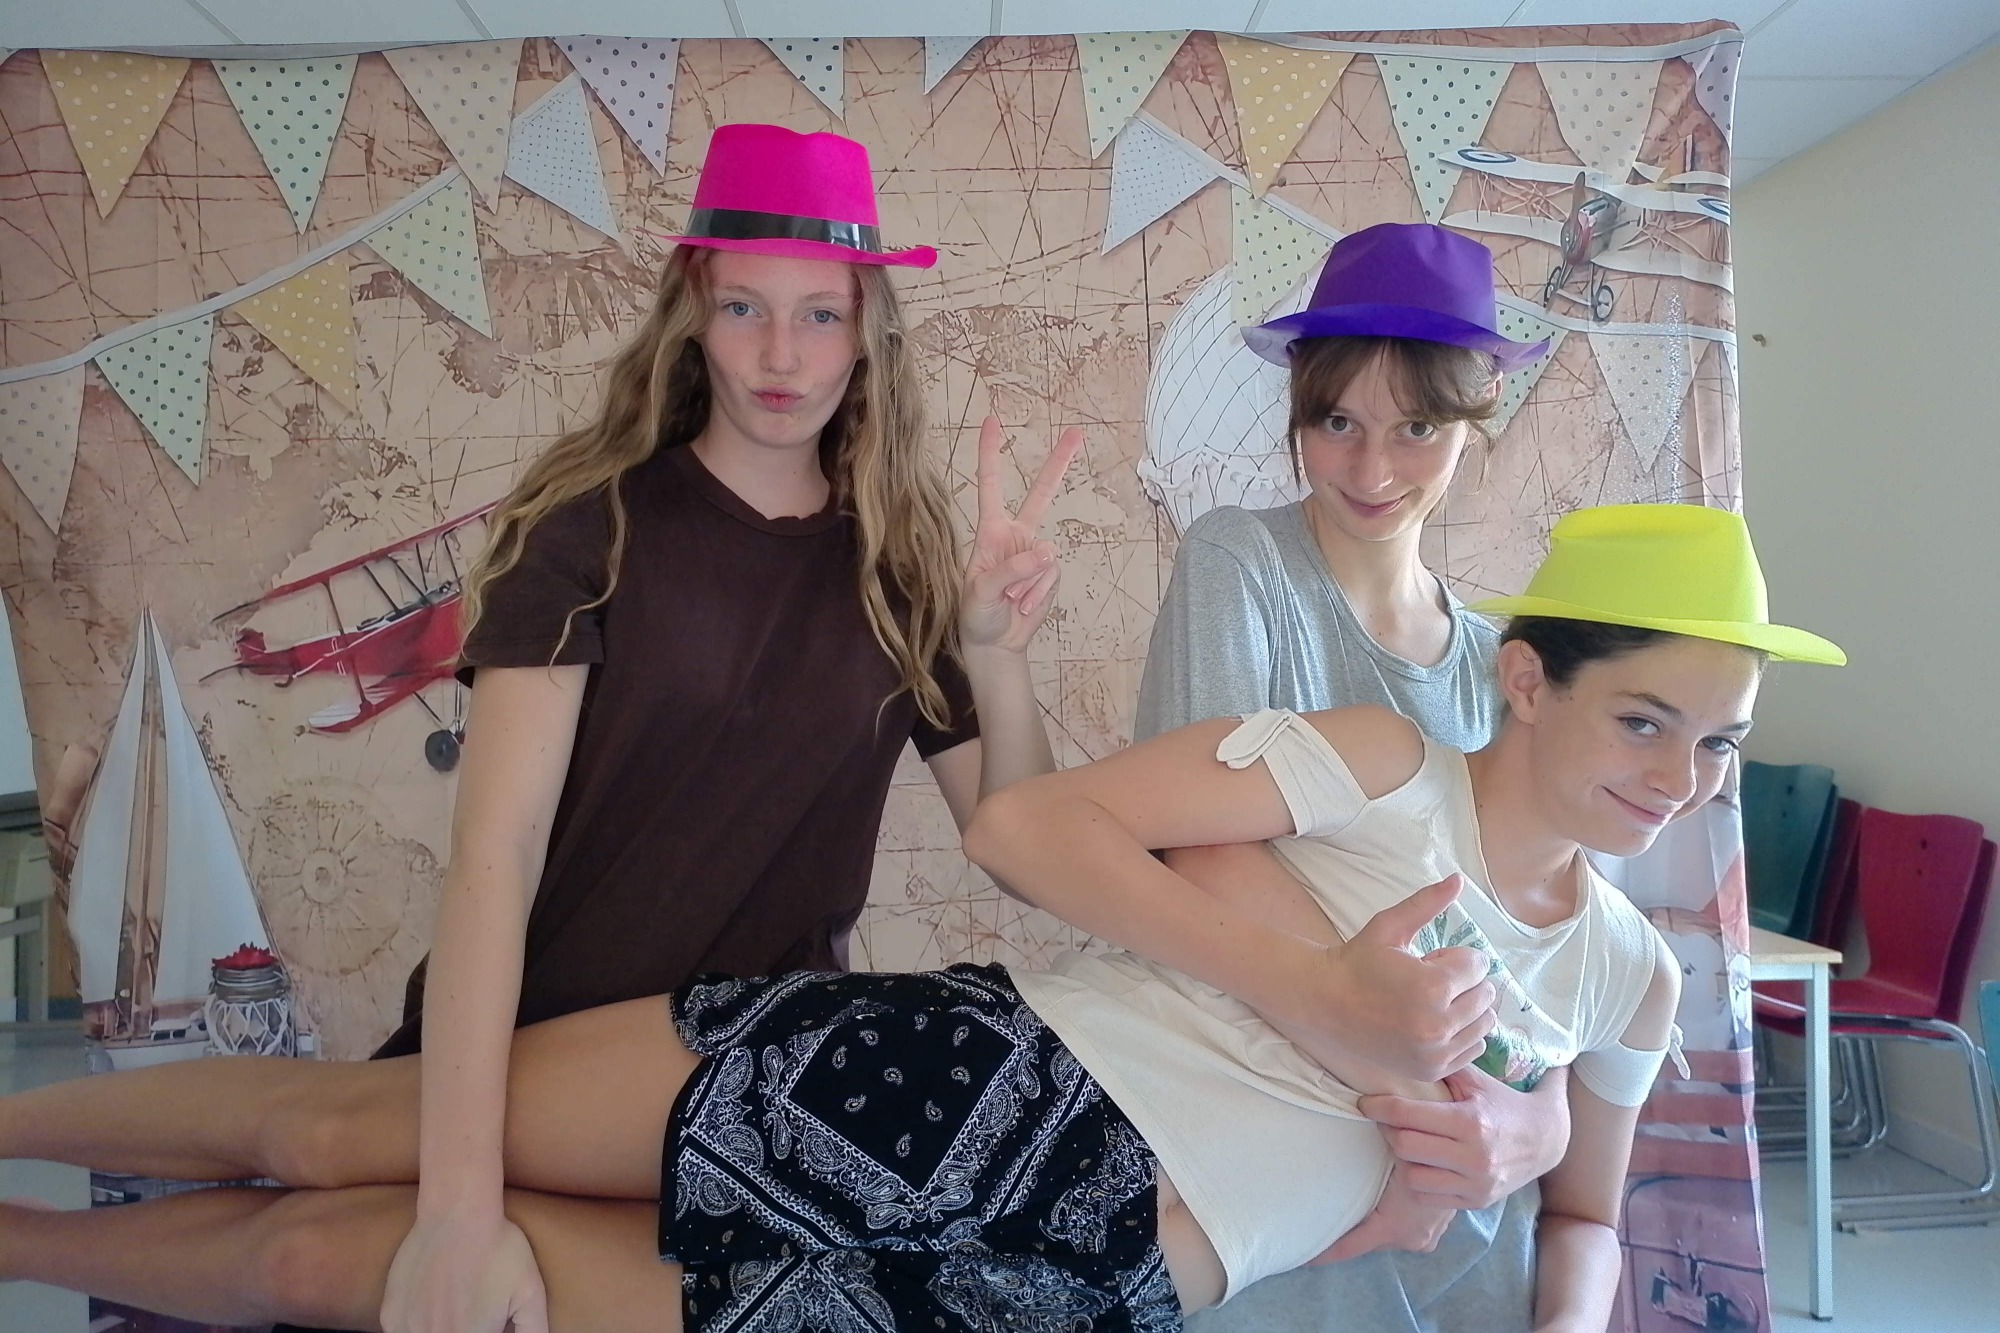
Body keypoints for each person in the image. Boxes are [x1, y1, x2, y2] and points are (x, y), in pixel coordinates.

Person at [0, 505, 1843, 1333]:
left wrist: (1540, 1247)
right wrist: (1321, 996)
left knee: (336, 1271)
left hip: (1080, 1282)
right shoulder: (1377, 760)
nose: (1680, 775)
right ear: (1525, 680)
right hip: (974, 1078)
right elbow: (1035, 827)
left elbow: (1584, 1215)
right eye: (1644, 719)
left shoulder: (1628, 972)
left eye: (1720, 744)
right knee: (350, 1132)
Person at [307, 122, 1080, 1333]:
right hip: (524, 1073)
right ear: (692, 312)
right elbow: (493, 859)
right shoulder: (587, 527)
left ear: (867, 331)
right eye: (743, 309)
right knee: (283, 1251)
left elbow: (1026, 848)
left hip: (748, 1103)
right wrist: (459, 1205)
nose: (780, 355)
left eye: (819, 314)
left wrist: (994, 652)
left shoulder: (901, 565)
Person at [1135, 223, 1569, 1328]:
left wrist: (1539, 1123)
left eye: (1416, 427)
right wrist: (1429, 1087)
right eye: (1337, 423)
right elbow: (1200, 851)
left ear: (1478, 411)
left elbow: (1541, 931)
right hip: (1274, 1125)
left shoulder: (1497, 664)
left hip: (1456, 1177)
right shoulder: (1239, 561)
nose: (1372, 471)